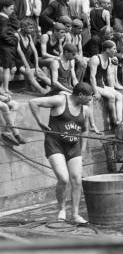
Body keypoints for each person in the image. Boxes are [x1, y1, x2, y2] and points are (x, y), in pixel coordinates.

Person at [28, 82, 94, 224]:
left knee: (76, 180)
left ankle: (75, 214)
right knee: (63, 179)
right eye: (89, 97)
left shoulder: (86, 109)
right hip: (55, 144)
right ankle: (62, 209)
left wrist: (82, 150)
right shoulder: (60, 100)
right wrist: (40, 122)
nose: (91, 100)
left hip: (74, 147)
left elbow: (85, 129)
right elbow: (33, 102)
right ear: (81, 95)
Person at [87, 40, 123, 127]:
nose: (115, 51)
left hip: (101, 85)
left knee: (119, 95)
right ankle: (114, 121)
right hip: (91, 85)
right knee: (111, 97)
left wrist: (112, 89)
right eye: (114, 49)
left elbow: (109, 75)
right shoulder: (95, 59)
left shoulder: (109, 59)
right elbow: (92, 77)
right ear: (107, 49)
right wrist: (95, 92)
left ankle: (119, 120)